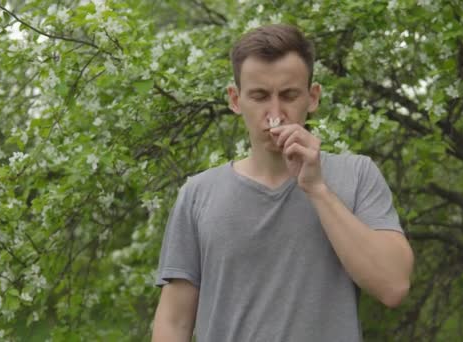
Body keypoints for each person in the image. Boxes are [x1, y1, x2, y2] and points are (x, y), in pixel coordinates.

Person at [152, 24, 414, 342]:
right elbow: (174, 323)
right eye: (260, 96)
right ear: (235, 100)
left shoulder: (357, 175)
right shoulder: (198, 195)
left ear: (312, 97)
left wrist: (317, 189)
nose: (275, 114)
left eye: (289, 95)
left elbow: (393, 285)